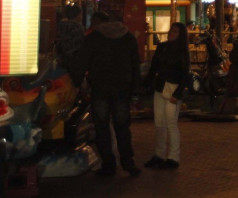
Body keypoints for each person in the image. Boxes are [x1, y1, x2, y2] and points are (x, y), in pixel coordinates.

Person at [70, 11, 142, 177]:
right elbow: (135, 64)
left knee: (102, 127)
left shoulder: (94, 38)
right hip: (122, 87)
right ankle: (128, 162)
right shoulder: (128, 37)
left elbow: (81, 62)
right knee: (122, 126)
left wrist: (76, 82)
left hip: (100, 86)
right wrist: (136, 87)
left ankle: (108, 164)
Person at [143, 22, 190, 169]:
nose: (171, 33)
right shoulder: (162, 48)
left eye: (175, 32)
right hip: (161, 87)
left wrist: (178, 93)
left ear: (180, 35)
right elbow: (154, 68)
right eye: (171, 31)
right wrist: (146, 83)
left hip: (173, 88)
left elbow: (185, 74)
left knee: (170, 123)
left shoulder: (182, 52)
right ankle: (159, 155)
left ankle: (173, 157)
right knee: (159, 122)